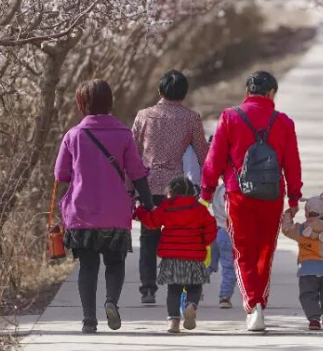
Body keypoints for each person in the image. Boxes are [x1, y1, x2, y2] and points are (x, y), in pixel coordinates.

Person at [201, 70, 303, 332]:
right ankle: (260, 301)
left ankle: (253, 306)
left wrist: (206, 192)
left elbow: (214, 159)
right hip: (272, 195)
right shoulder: (283, 122)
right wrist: (294, 197)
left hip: (238, 194)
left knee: (243, 251)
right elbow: (292, 162)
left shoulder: (230, 117)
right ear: (271, 94)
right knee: (265, 250)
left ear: (247, 92)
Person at [54, 79, 154, 334]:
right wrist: (148, 202)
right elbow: (137, 172)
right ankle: (111, 301)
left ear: (81, 103)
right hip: (115, 212)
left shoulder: (73, 135)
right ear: (110, 102)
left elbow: (61, 175)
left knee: (88, 267)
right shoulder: (123, 134)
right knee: (115, 262)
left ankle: (89, 320)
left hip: (82, 213)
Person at [132, 70, 209, 305]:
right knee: (180, 238)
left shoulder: (144, 116)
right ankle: (181, 285)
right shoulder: (191, 118)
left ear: (159, 91)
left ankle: (147, 289)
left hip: (148, 186)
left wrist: (131, 188)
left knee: (148, 239)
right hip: (178, 190)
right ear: (184, 93)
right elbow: (202, 152)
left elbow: (133, 152)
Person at [135, 177, 217, 334]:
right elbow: (210, 227)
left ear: (170, 192)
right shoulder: (199, 208)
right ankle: (191, 305)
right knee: (194, 287)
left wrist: (139, 210)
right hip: (194, 257)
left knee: (173, 290)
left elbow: (152, 221)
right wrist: (204, 241)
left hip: (172, 257)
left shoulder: (166, 207)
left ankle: (173, 321)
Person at [281, 194, 323, 330]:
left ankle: (314, 319)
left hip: (308, 269)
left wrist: (288, 214)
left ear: (307, 213)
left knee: (308, 294)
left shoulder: (300, 230)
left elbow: (286, 229)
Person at [208, 182, 237, 309]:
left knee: (209, 264)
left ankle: (192, 288)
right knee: (229, 267)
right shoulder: (234, 190)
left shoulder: (218, 189)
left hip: (217, 230)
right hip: (229, 231)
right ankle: (225, 296)